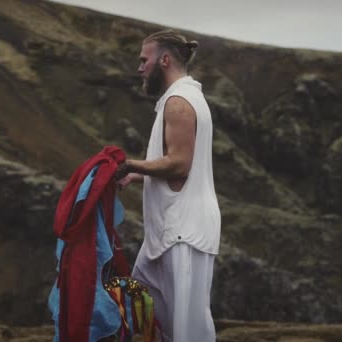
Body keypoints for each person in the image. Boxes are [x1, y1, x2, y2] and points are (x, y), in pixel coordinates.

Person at [115, 30, 221, 342]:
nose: (140, 68)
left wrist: (131, 164)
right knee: (139, 305)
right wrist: (141, 176)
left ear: (164, 60)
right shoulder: (182, 98)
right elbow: (175, 166)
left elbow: (179, 164)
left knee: (188, 331)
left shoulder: (179, 101)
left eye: (143, 60)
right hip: (168, 233)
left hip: (183, 233)